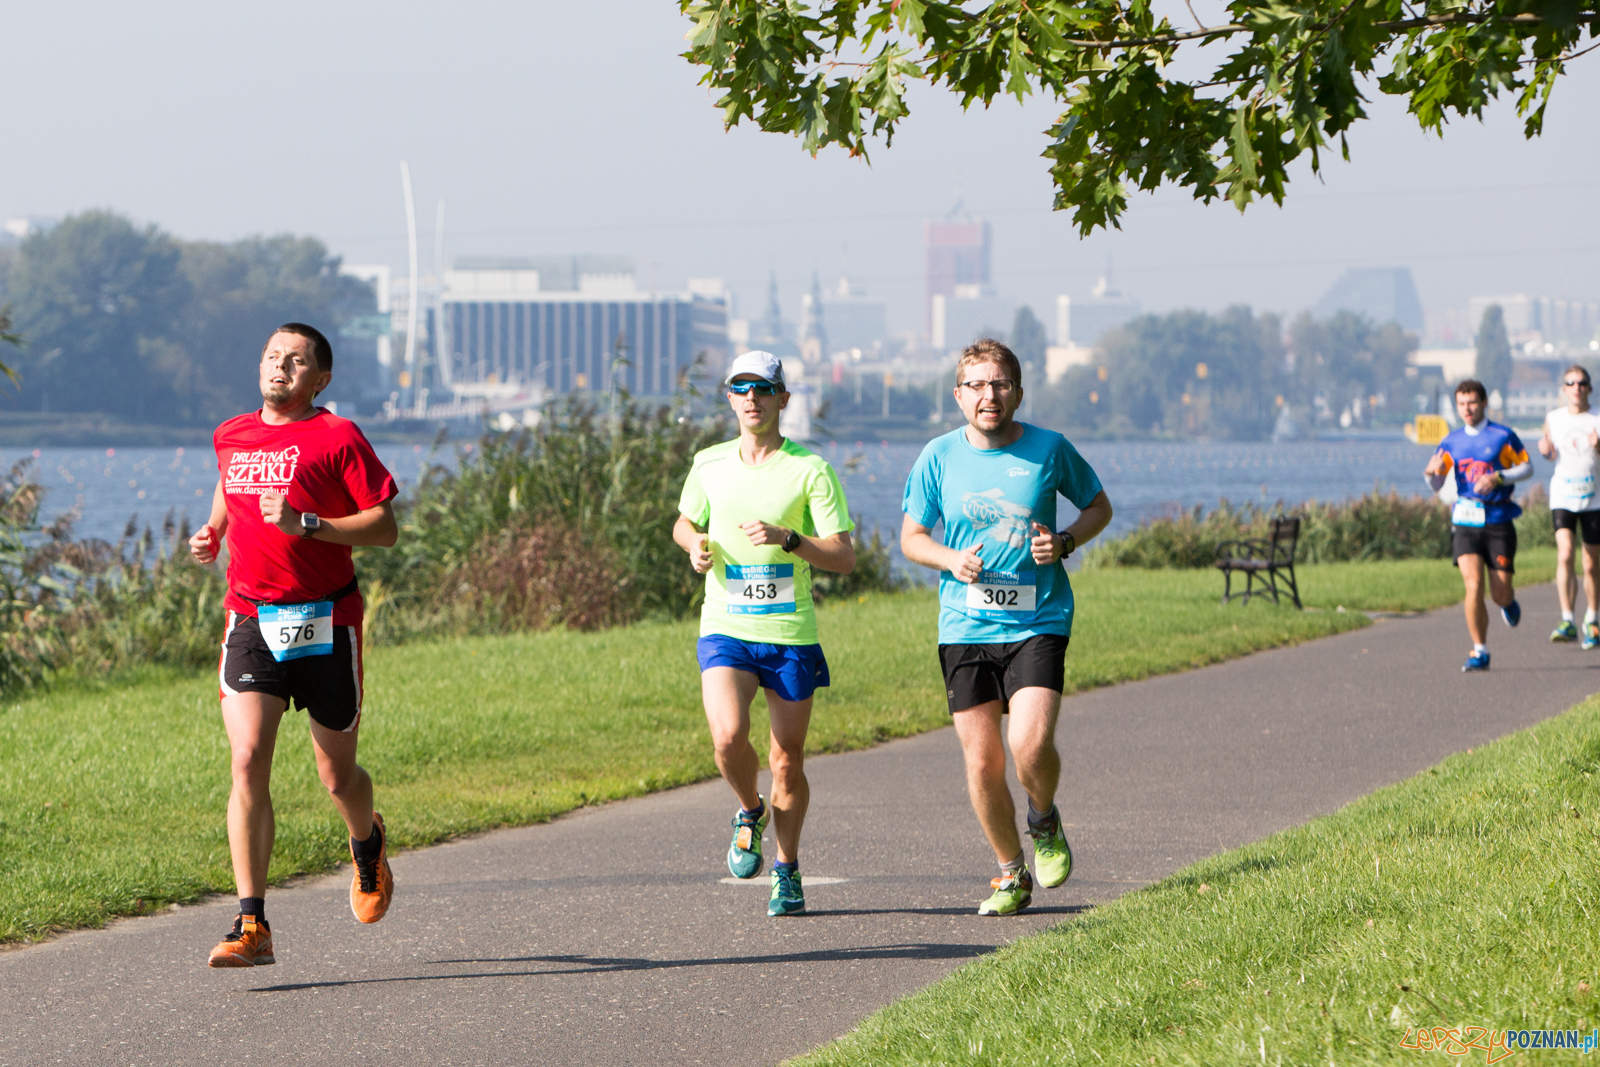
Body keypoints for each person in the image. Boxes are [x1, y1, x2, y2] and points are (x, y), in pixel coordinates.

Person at [188, 323, 400, 967]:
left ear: (320, 379)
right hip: (251, 618)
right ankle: (252, 924)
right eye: (273, 356)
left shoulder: (337, 436)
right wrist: (213, 531)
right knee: (248, 758)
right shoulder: (232, 433)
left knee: (337, 775)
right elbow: (233, 482)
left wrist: (308, 524)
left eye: (297, 360)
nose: (281, 367)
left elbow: (384, 528)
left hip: (327, 622)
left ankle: (366, 844)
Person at [900, 339, 1112, 916]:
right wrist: (948, 559)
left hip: (1038, 618)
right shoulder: (937, 457)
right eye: (976, 385)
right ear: (958, 395)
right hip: (965, 625)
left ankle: (1043, 817)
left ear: (1017, 391)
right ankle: (1010, 873)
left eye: (999, 384)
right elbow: (912, 538)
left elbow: (1098, 507)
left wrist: (1066, 540)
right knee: (982, 762)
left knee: (1030, 743)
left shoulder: (1049, 449)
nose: (988, 395)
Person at [673, 351, 855, 917]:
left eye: (763, 388)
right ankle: (748, 810)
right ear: (729, 398)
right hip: (725, 625)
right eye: (740, 388)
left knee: (787, 761)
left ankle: (787, 867)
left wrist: (790, 539)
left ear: (782, 398)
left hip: (789, 633)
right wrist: (694, 546)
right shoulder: (709, 463)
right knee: (728, 738)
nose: (752, 398)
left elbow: (844, 557)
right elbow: (684, 522)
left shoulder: (811, 470)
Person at [1423, 379, 1532, 672]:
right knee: (1473, 586)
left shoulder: (1502, 435)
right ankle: (1479, 650)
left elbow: (1527, 466)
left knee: (1499, 592)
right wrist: (1430, 473)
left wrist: (1499, 477)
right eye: (1461, 403)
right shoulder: (1451, 441)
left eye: (1472, 402)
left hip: (1498, 521)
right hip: (1465, 521)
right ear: (1457, 407)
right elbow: (1436, 483)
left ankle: (1507, 602)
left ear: (1483, 403)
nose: (1467, 409)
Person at [1537, 365, 1600, 647]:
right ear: (1564, 389)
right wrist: (1546, 451)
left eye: (1582, 383)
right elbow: (1551, 453)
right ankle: (1567, 620)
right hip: (1563, 495)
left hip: (1594, 498)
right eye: (1571, 383)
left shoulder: (1597, 418)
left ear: (1589, 388)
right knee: (1564, 555)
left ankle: (1592, 618)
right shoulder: (1553, 418)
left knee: (1590, 563)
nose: (1576, 388)